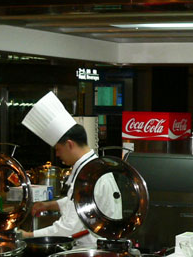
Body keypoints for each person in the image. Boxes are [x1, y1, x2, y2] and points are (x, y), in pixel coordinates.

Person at [21, 93, 120, 248]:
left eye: (58, 149)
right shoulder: (92, 167)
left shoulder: (88, 176)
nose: (57, 155)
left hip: (93, 252)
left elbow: (69, 227)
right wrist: (49, 205)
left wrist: (29, 236)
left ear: (69, 144)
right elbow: (79, 202)